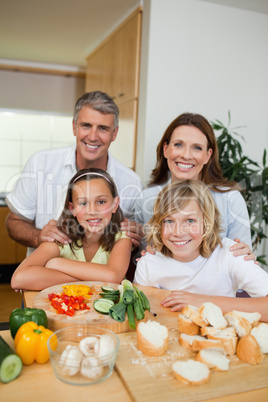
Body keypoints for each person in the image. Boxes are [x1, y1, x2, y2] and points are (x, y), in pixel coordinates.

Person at [6, 91, 143, 256]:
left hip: (98, 280)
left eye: (103, 128)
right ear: (74, 127)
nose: (93, 137)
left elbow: (130, 240)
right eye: (86, 125)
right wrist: (38, 237)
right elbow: (14, 222)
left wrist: (135, 237)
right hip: (45, 277)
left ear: (114, 133)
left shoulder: (132, 182)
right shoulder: (40, 163)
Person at [134, 180, 268, 321]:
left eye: (190, 221)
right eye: (169, 221)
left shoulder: (231, 254)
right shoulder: (148, 263)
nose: (178, 232)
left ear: (207, 223)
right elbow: (139, 315)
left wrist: (201, 302)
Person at [134, 113, 254, 260]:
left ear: (207, 155)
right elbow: (141, 256)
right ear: (166, 149)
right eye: (178, 145)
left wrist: (246, 258)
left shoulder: (230, 200)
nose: (186, 155)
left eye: (197, 148)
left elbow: (242, 261)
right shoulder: (147, 198)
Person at [11, 168, 132, 290]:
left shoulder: (122, 237)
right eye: (83, 203)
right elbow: (19, 279)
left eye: (101, 201)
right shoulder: (62, 236)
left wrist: (56, 264)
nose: (92, 211)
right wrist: (92, 279)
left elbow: (113, 276)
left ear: (114, 205)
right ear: (72, 208)